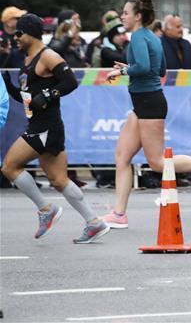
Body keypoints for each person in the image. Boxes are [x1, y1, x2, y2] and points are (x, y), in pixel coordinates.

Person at [100, 0, 191, 229]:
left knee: (158, 163)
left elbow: (144, 67)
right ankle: (119, 214)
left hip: (148, 103)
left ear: (138, 16)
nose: (122, 16)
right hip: (144, 103)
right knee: (122, 157)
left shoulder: (139, 37)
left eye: (126, 13)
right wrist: (130, 68)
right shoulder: (152, 36)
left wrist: (122, 72)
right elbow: (159, 69)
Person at [0, 14, 110, 243]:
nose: (15, 37)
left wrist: (49, 95)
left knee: (9, 167)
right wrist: (11, 88)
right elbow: (30, 97)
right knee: (59, 180)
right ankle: (94, 222)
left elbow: (70, 82)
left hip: (46, 126)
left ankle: (45, 209)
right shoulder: (28, 58)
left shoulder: (48, 55)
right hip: (42, 125)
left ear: (30, 33)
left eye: (19, 33)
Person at [0, 6, 27, 70]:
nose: (21, 20)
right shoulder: (2, 41)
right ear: (8, 22)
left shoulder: (24, 36)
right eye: (18, 18)